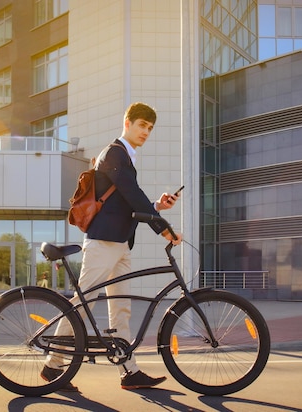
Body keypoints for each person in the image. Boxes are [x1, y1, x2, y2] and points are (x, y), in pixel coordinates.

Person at [41, 102, 182, 392]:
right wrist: (163, 227)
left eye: (150, 128)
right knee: (83, 304)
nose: (146, 132)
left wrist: (156, 206)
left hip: (119, 244)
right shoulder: (114, 153)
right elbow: (132, 193)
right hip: (102, 243)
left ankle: (128, 371)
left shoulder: (125, 158)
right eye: (142, 125)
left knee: (121, 309)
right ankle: (53, 366)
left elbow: (126, 202)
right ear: (127, 123)